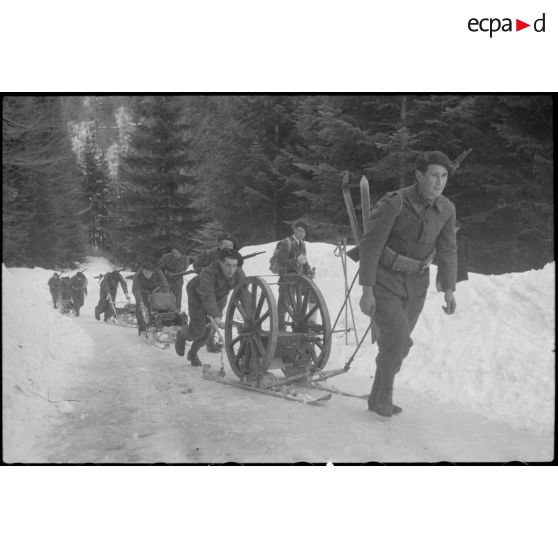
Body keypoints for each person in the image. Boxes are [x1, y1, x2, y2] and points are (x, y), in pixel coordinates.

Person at [359, 150, 458, 418]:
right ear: (419, 175)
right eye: (434, 176)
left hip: (417, 285)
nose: (439, 182)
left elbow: (448, 250)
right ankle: (383, 401)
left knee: (397, 344)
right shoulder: (395, 203)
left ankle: (376, 395)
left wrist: (449, 289)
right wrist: (366, 290)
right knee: (398, 338)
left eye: (444, 176)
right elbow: (370, 246)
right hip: (385, 280)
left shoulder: (446, 209)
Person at [175, 248, 249, 367]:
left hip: (219, 297)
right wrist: (217, 317)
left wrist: (249, 316)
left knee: (208, 331)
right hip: (197, 295)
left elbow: (243, 293)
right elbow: (207, 295)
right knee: (198, 330)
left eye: (234, 266)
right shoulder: (208, 273)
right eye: (228, 265)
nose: (231, 270)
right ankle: (182, 335)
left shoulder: (239, 273)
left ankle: (192, 353)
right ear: (220, 262)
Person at [191, 233, 240, 352]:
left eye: (231, 246)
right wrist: (204, 273)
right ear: (220, 245)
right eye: (226, 245)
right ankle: (196, 337)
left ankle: (210, 341)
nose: (229, 248)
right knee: (203, 318)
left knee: (217, 314)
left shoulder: (233, 257)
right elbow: (196, 265)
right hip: (205, 288)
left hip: (222, 292)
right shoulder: (210, 254)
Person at [275, 220, 315, 329]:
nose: (301, 234)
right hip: (287, 280)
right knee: (284, 305)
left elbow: (304, 260)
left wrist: (309, 270)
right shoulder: (285, 243)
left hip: (299, 279)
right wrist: (296, 261)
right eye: (299, 231)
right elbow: (282, 261)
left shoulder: (302, 244)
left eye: (304, 232)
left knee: (313, 294)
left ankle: (311, 323)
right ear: (294, 230)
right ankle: (279, 330)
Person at [132, 259, 171, 334]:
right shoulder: (137, 276)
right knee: (140, 309)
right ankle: (142, 329)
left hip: (156, 291)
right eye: (146, 272)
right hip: (143, 292)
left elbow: (165, 285)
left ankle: (155, 326)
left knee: (158, 309)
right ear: (142, 270)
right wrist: (140, 302)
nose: (147, 275)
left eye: (149, 273)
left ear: (153, 272)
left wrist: (167, 298)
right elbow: (136, 290)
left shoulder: (158, 272)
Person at [157, 246, 189, 310]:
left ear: (182, 253)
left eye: (178, 253)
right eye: (174, 253)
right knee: (166, 294)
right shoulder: (166, 257)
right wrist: (166, 272)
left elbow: (185, 268)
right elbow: (158, 267)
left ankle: (177, 311)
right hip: (167, 278)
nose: (176, 255)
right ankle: (164, 311)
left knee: (178, 296)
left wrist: (180, 274)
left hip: (178, 278)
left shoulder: (185, 258)